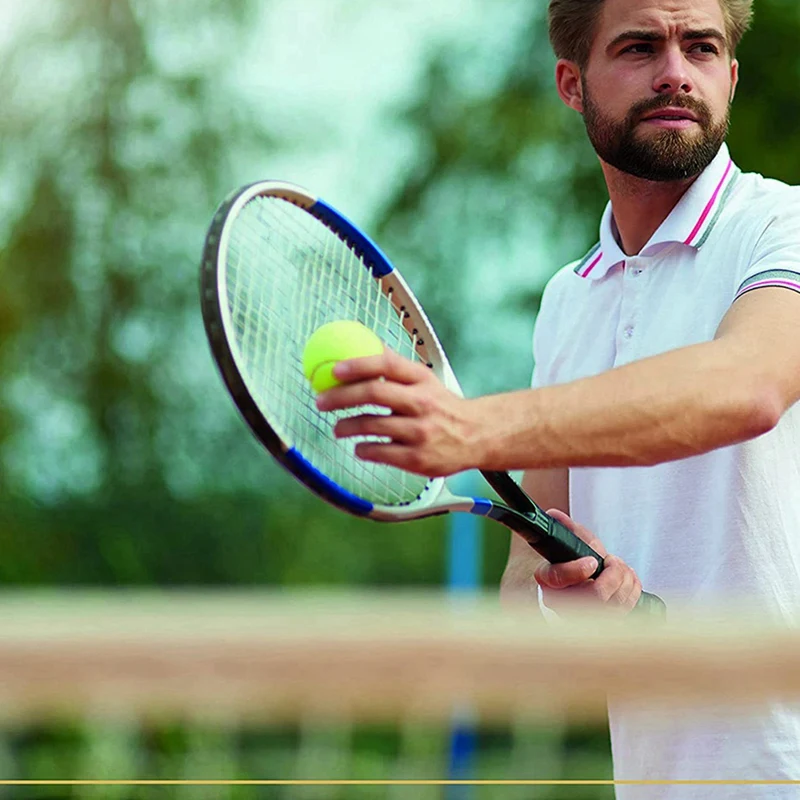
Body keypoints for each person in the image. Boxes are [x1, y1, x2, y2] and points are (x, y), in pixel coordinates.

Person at [316, 0, 800, 793]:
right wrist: (565, 605)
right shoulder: (568, 303)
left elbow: (749, 385)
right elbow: (522, 584)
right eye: (640, 47)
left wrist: (474, 428)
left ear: (732, 76)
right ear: (572, 85)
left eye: (701, 47)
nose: (676, 73)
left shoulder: (784, 224)